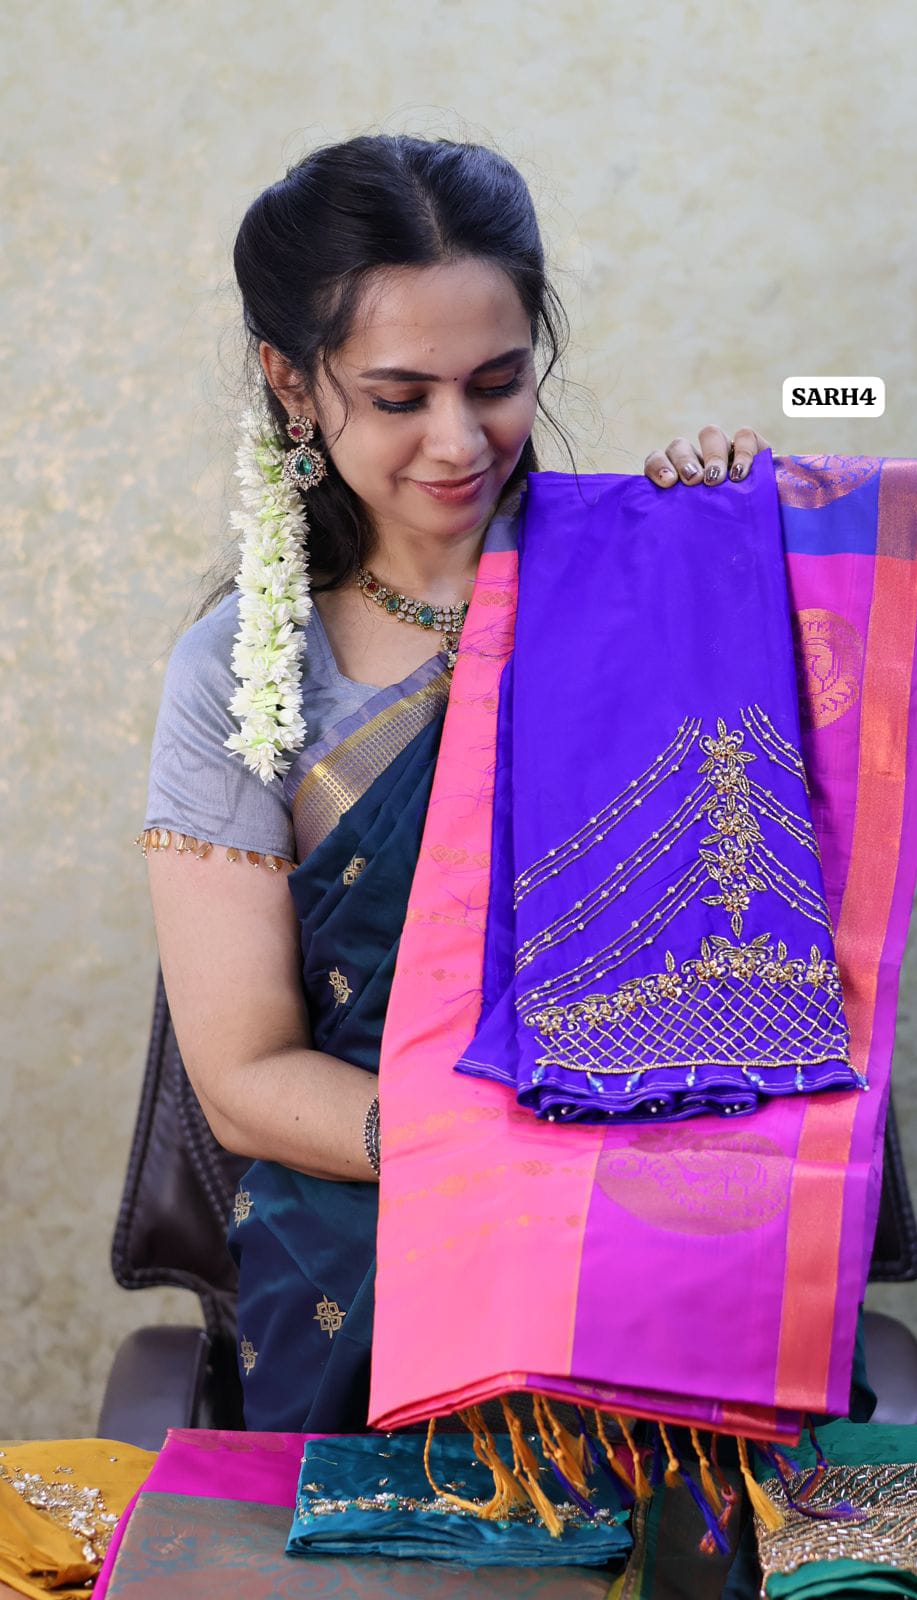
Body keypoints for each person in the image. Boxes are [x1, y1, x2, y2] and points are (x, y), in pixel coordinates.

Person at [140, 131, 774, 1431]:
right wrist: (488, 1158)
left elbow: (764, 926)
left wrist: (744, 568)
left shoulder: (643, 587)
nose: (457, 439)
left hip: (659, 1218)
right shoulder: (242, 672)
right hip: (381, 1265)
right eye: (397, 394)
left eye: (495, 380)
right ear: (292, 381)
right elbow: (245, 1071)